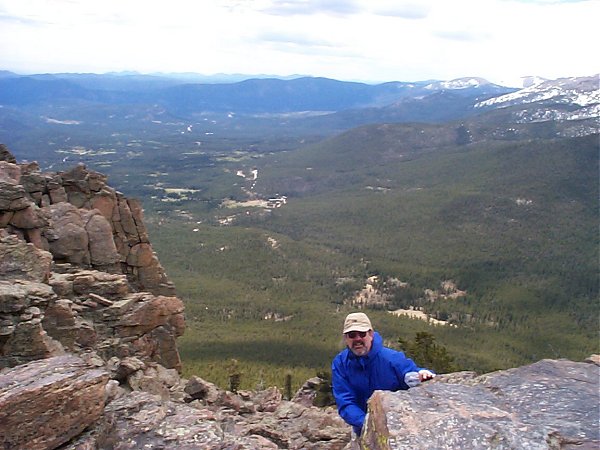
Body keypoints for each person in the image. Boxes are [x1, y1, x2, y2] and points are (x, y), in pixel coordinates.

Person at [331, 312, 435, 435]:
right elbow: (345, 402)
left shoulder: (391, 358)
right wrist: (367, 423)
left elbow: (411, 372)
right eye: (352, 335)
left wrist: (421, 375)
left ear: (371, 334)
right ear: (346, 338)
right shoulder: (340, 364)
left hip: (398, 429)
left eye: (362, 334)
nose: (357, 339)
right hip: (363, 430)